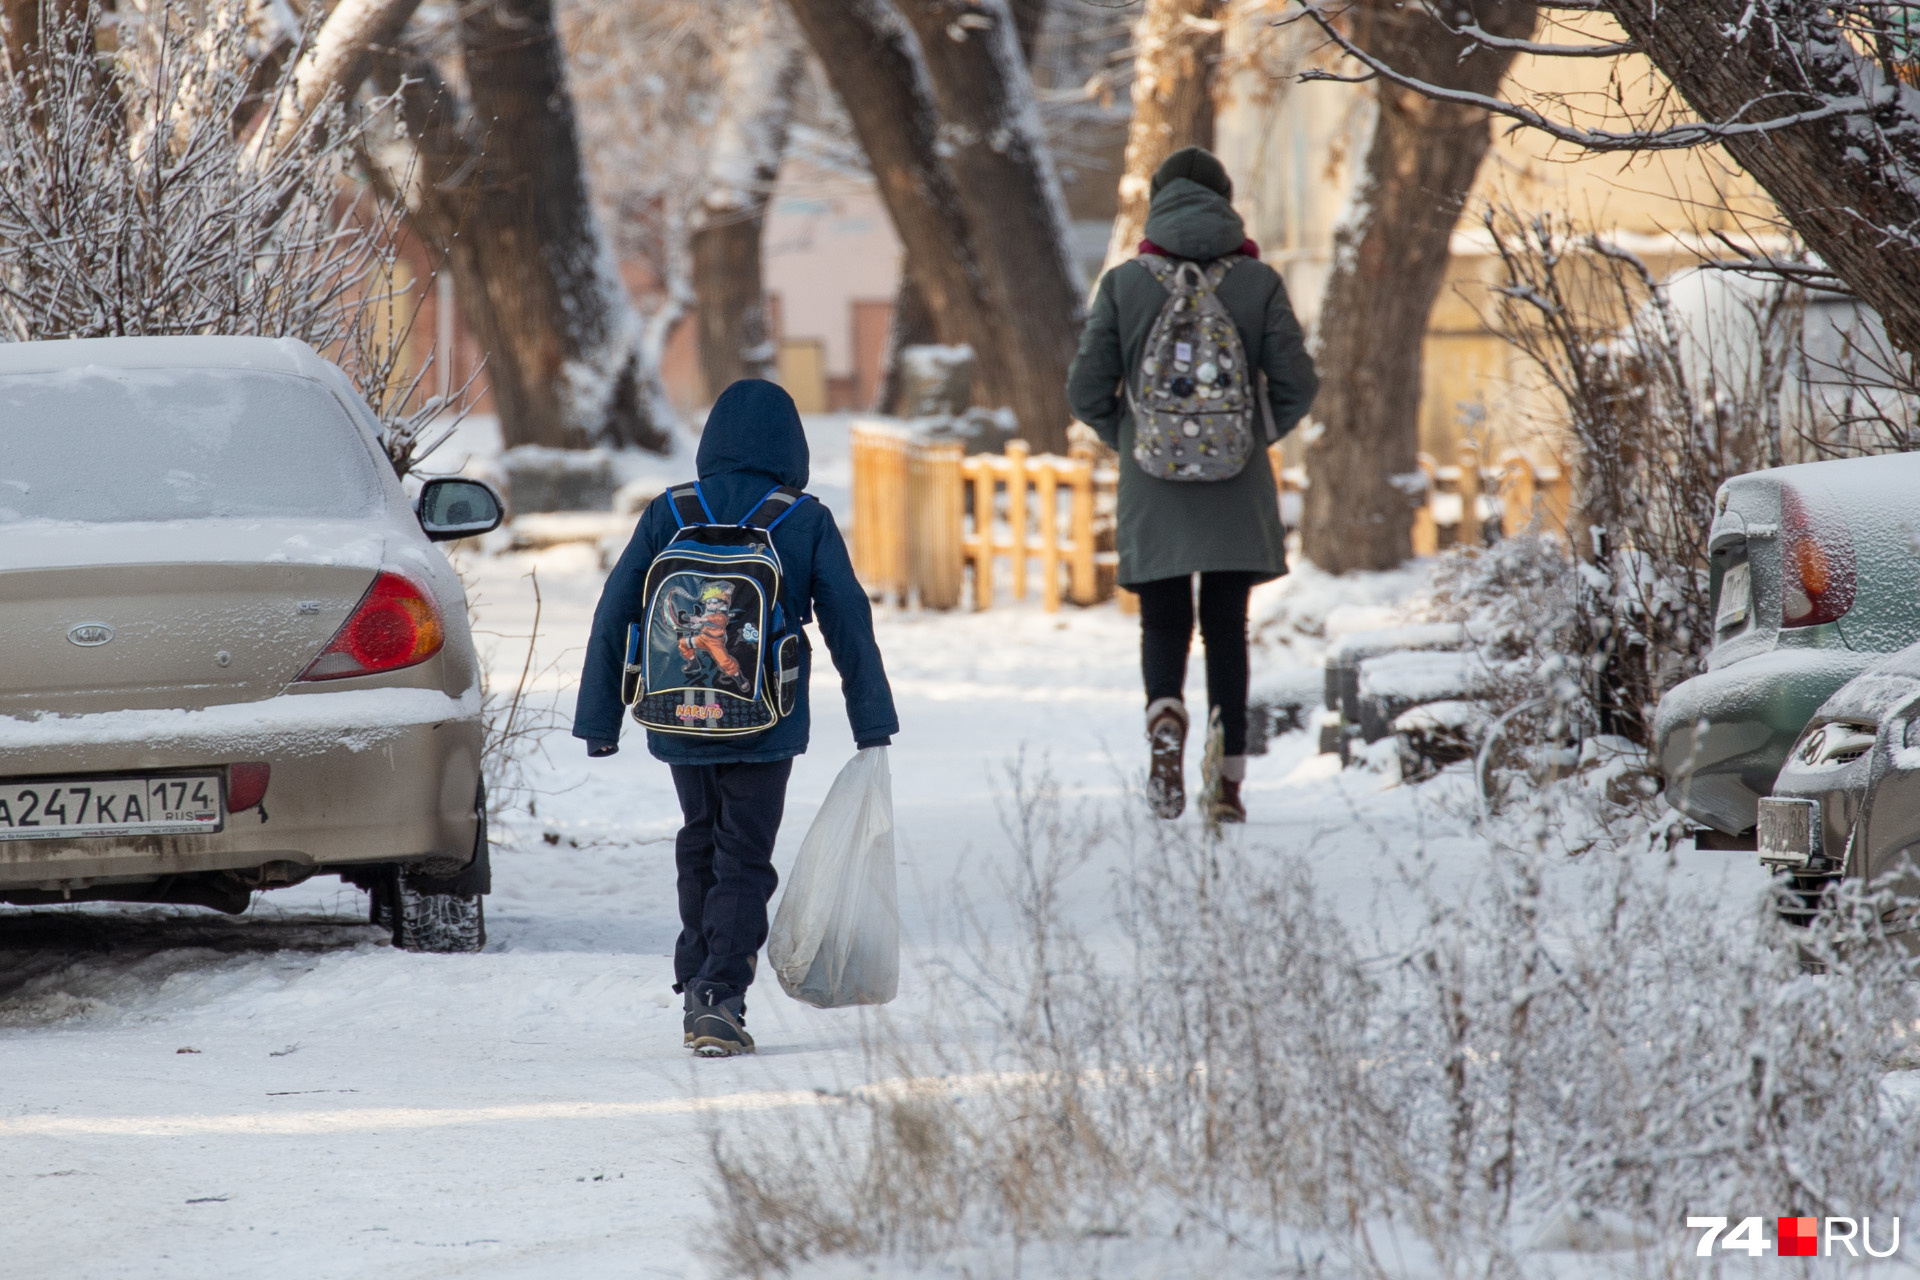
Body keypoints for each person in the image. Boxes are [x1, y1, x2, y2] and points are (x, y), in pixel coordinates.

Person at [574, 379, 899, 1055]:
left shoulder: (670, 510)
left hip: (676, 714)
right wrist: (872, 721)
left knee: (702, 835)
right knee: (744, 853)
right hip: (765, 721)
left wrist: (600, 719)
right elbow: (849, 623)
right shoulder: (801, 518)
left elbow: (615, 610)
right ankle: (718, 995)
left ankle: (698, 973)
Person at [1066, 146, 1319, 823]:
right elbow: (1299, 384)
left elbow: (1085, 390)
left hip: (1152, 483)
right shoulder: (1257, 282)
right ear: (1224, 201)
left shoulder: (1125, 284)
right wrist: (1247, 433)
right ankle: (1228, 784)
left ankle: (1164, 714)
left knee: (1164, 619)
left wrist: (1134, 434)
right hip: (1236, 482)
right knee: (1227, 630)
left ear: (1159, 201)